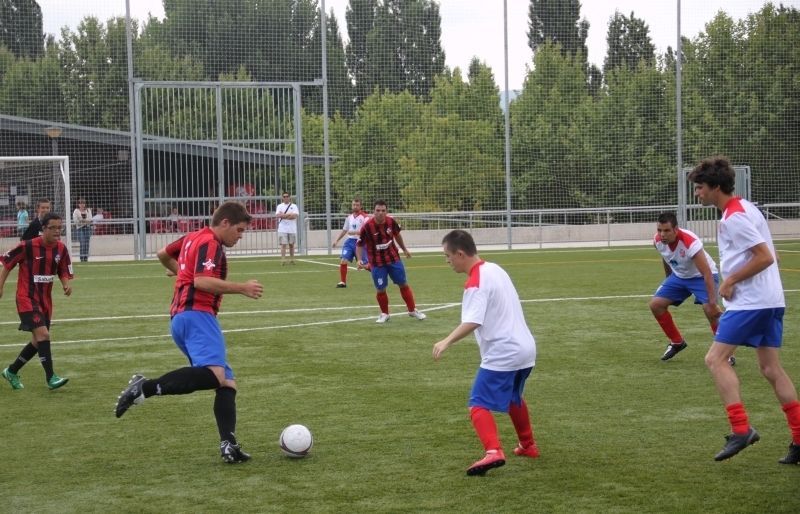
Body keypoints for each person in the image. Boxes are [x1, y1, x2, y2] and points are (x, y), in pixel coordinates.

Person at [114, 201, 264, 464]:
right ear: (225, 223)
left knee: (227, 383)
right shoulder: (211, 243)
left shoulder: (192, 237)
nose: (240, 236)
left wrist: (180, 273)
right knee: (216, 376)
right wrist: (241, 287)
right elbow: (201, 281)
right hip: (197, 314)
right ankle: (144, 388)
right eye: (239, 230)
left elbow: (162, 254)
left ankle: (228, 444)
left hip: (182, 317)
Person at [688, 156, 800, 464]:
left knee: (715, 359)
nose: (697, 194)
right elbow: (772, 256)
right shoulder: (748, 208)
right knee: (770, 369)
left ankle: (741, 429)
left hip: (752, 303)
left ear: (714, 187)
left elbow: (765, 257)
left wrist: (731, 280)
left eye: (699, 188)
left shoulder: (734, 217)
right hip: (770, 300)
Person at [433, 229, 539, 476]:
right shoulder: (495, 268)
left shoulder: (475, 281)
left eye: (447, 256)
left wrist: (446, 341)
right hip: (525, 348)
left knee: (478, 403)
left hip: (504, 352)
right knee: (513, 397)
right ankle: (528, 446)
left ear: (460, 253)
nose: (446, 261)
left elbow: (473, 321)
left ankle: (493, 451)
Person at [1, 213, 73, 391]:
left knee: (37, 340)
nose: (57, 231)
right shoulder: (28, 246)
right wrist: (0, 286)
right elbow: (7, 264)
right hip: (26, 298)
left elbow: (63, 270)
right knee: (44, 335)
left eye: (59, 227)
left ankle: (11, 371)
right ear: (43, 229)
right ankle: (51, 377)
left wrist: (65, 284)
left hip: (45, 301)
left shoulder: (61, 249)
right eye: (53, 228)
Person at [650, 212, 723, 361]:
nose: (662, 235)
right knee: (656, 305)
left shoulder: (689, 242)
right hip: (679, 277)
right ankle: (677, 342)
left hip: (702, 276)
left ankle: (725, 352)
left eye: (666, 231)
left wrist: (713, 302)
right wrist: (668, 278)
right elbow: (667, 258)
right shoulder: (657, 241)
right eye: (659, 230)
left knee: (710, 310)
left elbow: (707, 273)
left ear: (676, 229)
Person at [355, 199, 426, 323]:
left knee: (403, 284)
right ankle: (384, 314)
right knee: (380, 289)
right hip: (377, 263)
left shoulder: (391, 222)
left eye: (383, 210)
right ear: (374, 211)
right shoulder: (367, 227)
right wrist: (359, 259)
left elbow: (397, 235)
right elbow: (360, 244)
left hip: (393, 259)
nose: (381, 213)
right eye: (378, 210)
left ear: (386, 211)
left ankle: (412, 310)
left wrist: (404, 249)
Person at [331, 197, 370, 288]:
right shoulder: (349, 218)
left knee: (365, 265)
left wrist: (355, 232)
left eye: (357, 205)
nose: (355, 206)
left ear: (361, 206)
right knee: (343, 260)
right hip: (349, 242)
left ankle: (379, 273)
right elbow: (344, 230)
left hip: (360, 242)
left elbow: (366, 232)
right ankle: (343, 282)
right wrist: (336, 240)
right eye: (353, 205)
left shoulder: (365, 218)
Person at [275, 192, 299, 265]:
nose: (286, 198)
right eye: (284, 196)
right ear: (282, 198)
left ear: (289, 197)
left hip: (292, 229)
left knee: (291, 244)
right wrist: (289, 215)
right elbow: (278, 215)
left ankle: (292, 259)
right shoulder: (279, 206)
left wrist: (284, 215)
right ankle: (283, 260)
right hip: (282, 228)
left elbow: (294, 216)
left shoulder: (294, 206)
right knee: (283, 244)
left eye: (287, 196)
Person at [72, 198, 92, 262]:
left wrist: (82, 220)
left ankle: (86, 258)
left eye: (83, 203)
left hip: (87, 228)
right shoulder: (76, 211)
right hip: (80, 228)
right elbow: (76, 221)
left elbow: (90, 219)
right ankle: (82, 258)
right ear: (78, 204)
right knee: (82, 243)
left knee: (87, 243)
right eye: (80, 203)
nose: (82, 204)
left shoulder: (88, 210)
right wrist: (83, 220)